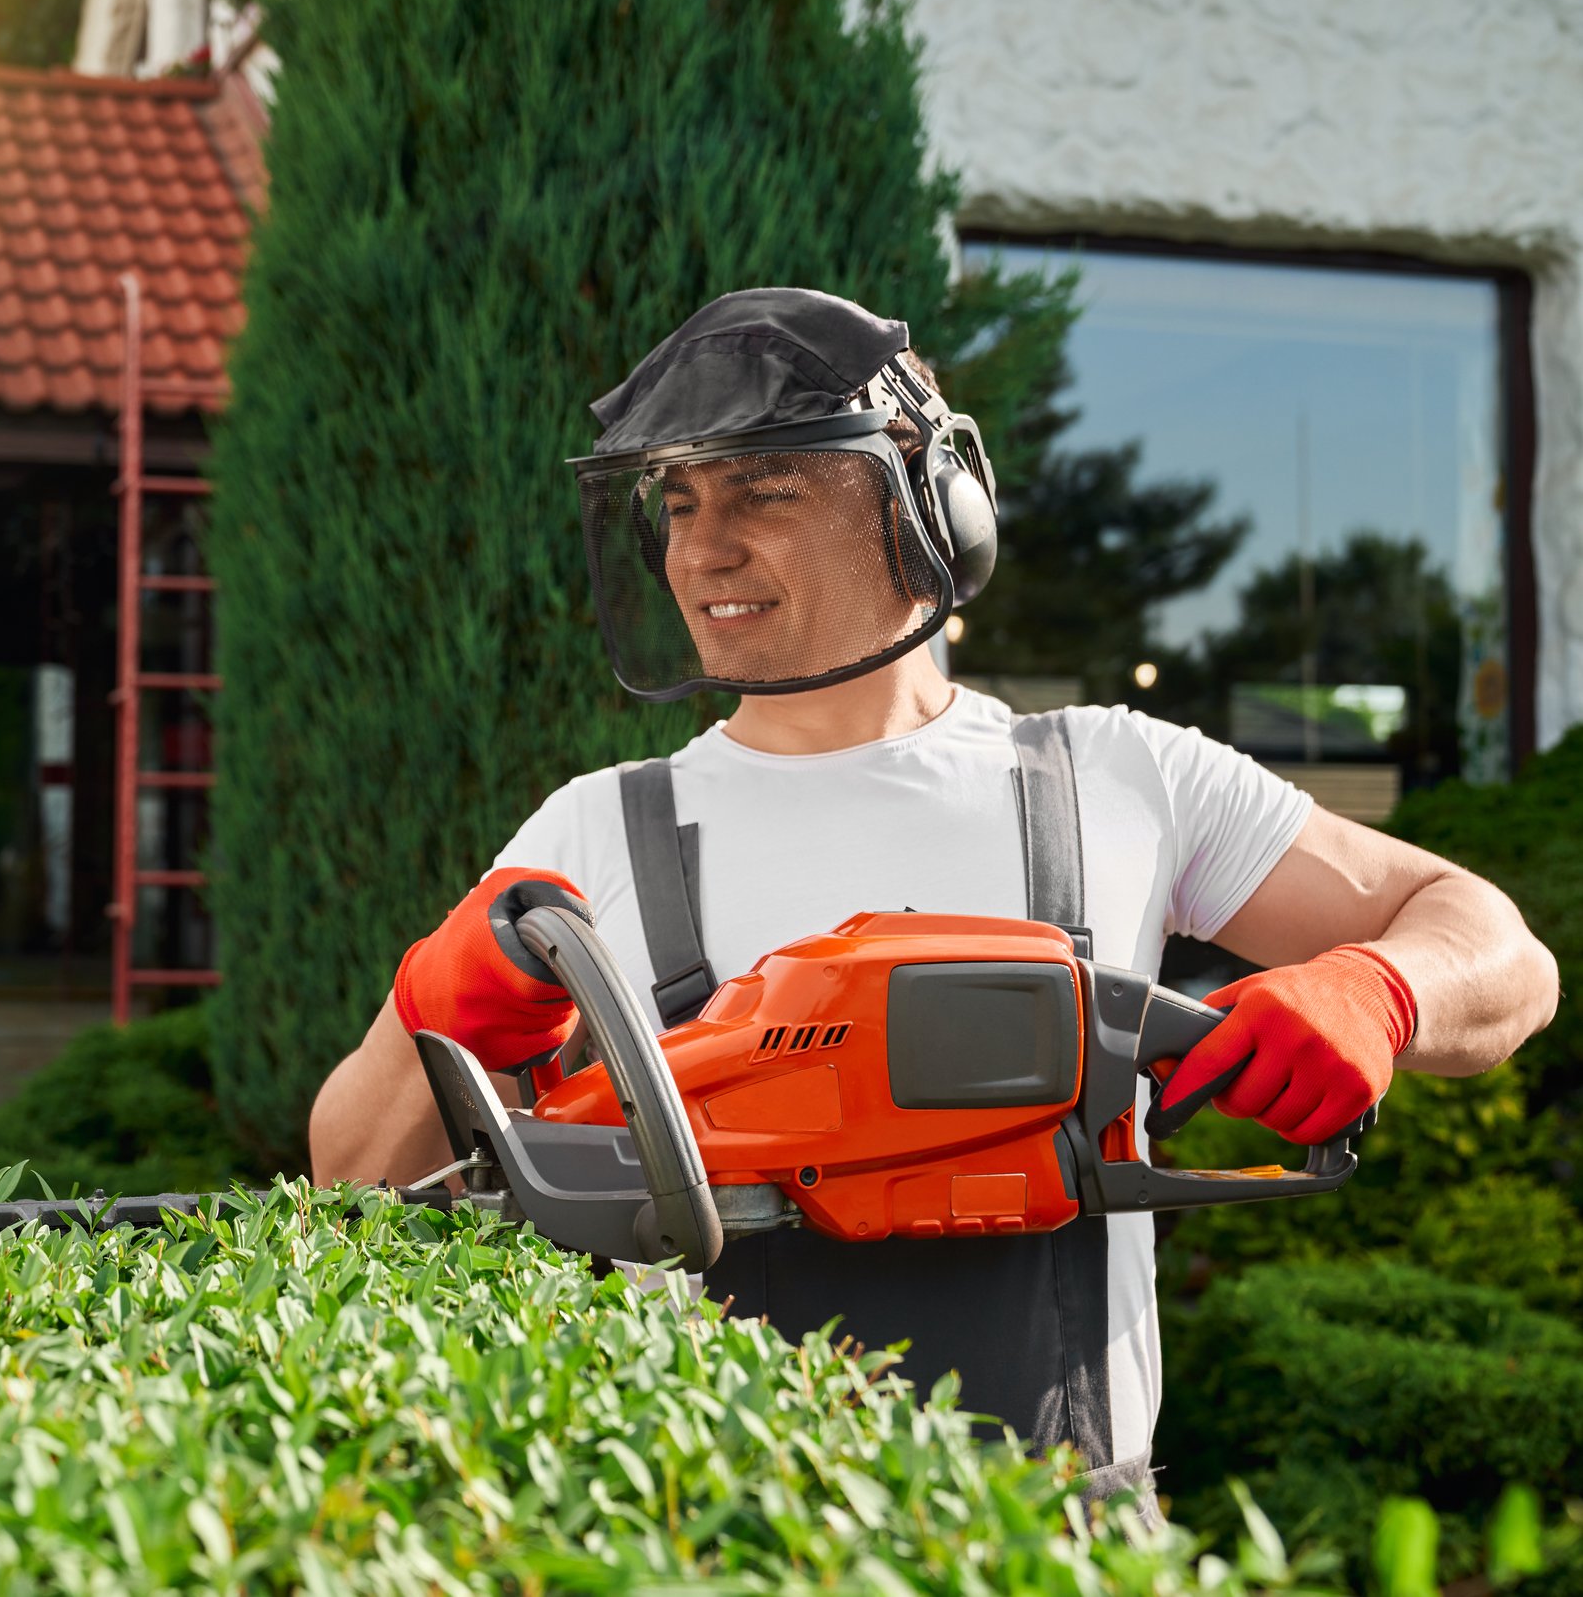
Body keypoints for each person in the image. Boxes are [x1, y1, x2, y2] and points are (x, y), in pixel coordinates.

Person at [307, 287, 1558, 1515]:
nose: (703, 549)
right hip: (709, 1540)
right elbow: (350, 1178)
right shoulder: (596, 829)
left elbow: (1500, 951)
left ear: (931, 507)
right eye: (679, 505)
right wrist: (445, 1015)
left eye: (764, 493)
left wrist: (1382, 990)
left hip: (1063, 1538)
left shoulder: (1116, 777)